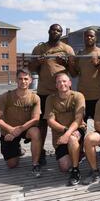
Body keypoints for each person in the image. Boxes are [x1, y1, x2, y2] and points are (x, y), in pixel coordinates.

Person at [29, 24, 75, 165]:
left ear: (61, 33)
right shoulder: (39, 48)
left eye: (58, 30)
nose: (55, 32)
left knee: (63, 124)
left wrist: (66, 63)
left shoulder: (67, 49)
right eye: (53, 30)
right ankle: (40, 151)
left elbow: (74, 72)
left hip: (62, 94)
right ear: (49, 31)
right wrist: (37, 62)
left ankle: (64, 150)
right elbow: (30, 68)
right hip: (43, 93)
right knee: (42, 124)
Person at [0, 69, 42, 176]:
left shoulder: (35, 98)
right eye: (20, 78)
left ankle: (35, 164)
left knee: (36, 132)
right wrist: (11, 130)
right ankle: (18, 150)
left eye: (25, 79)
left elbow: (35, 119)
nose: (23, 81)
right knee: (12, 164)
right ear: (16, 80)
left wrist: (19, 130)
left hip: (25, 129)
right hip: (8, 130)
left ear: (30, 81)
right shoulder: (6, 96)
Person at [44, 72, 86, 186]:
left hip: (77, 128)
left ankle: (76, 170)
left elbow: (78, 119)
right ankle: (78, 152)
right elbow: (50, 121)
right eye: (59, 82)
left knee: (72, 139)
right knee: (64, 167)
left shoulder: (78, 96)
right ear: (56, 85)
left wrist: (67, 134)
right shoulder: (50, 99)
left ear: (70, 83)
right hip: (60, 133)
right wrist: (65, 131)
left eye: (64, 81)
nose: (62, 84)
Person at [68, 28, 100, 124]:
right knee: (81, 127)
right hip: (82, 97)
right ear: (84, 38)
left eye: (91, 36)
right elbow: (74, 75)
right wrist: (70, 63)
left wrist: (97, 65)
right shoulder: (80, 54)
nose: (89, 38)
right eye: (87, 36)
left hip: (99, 97)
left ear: (96, 38)